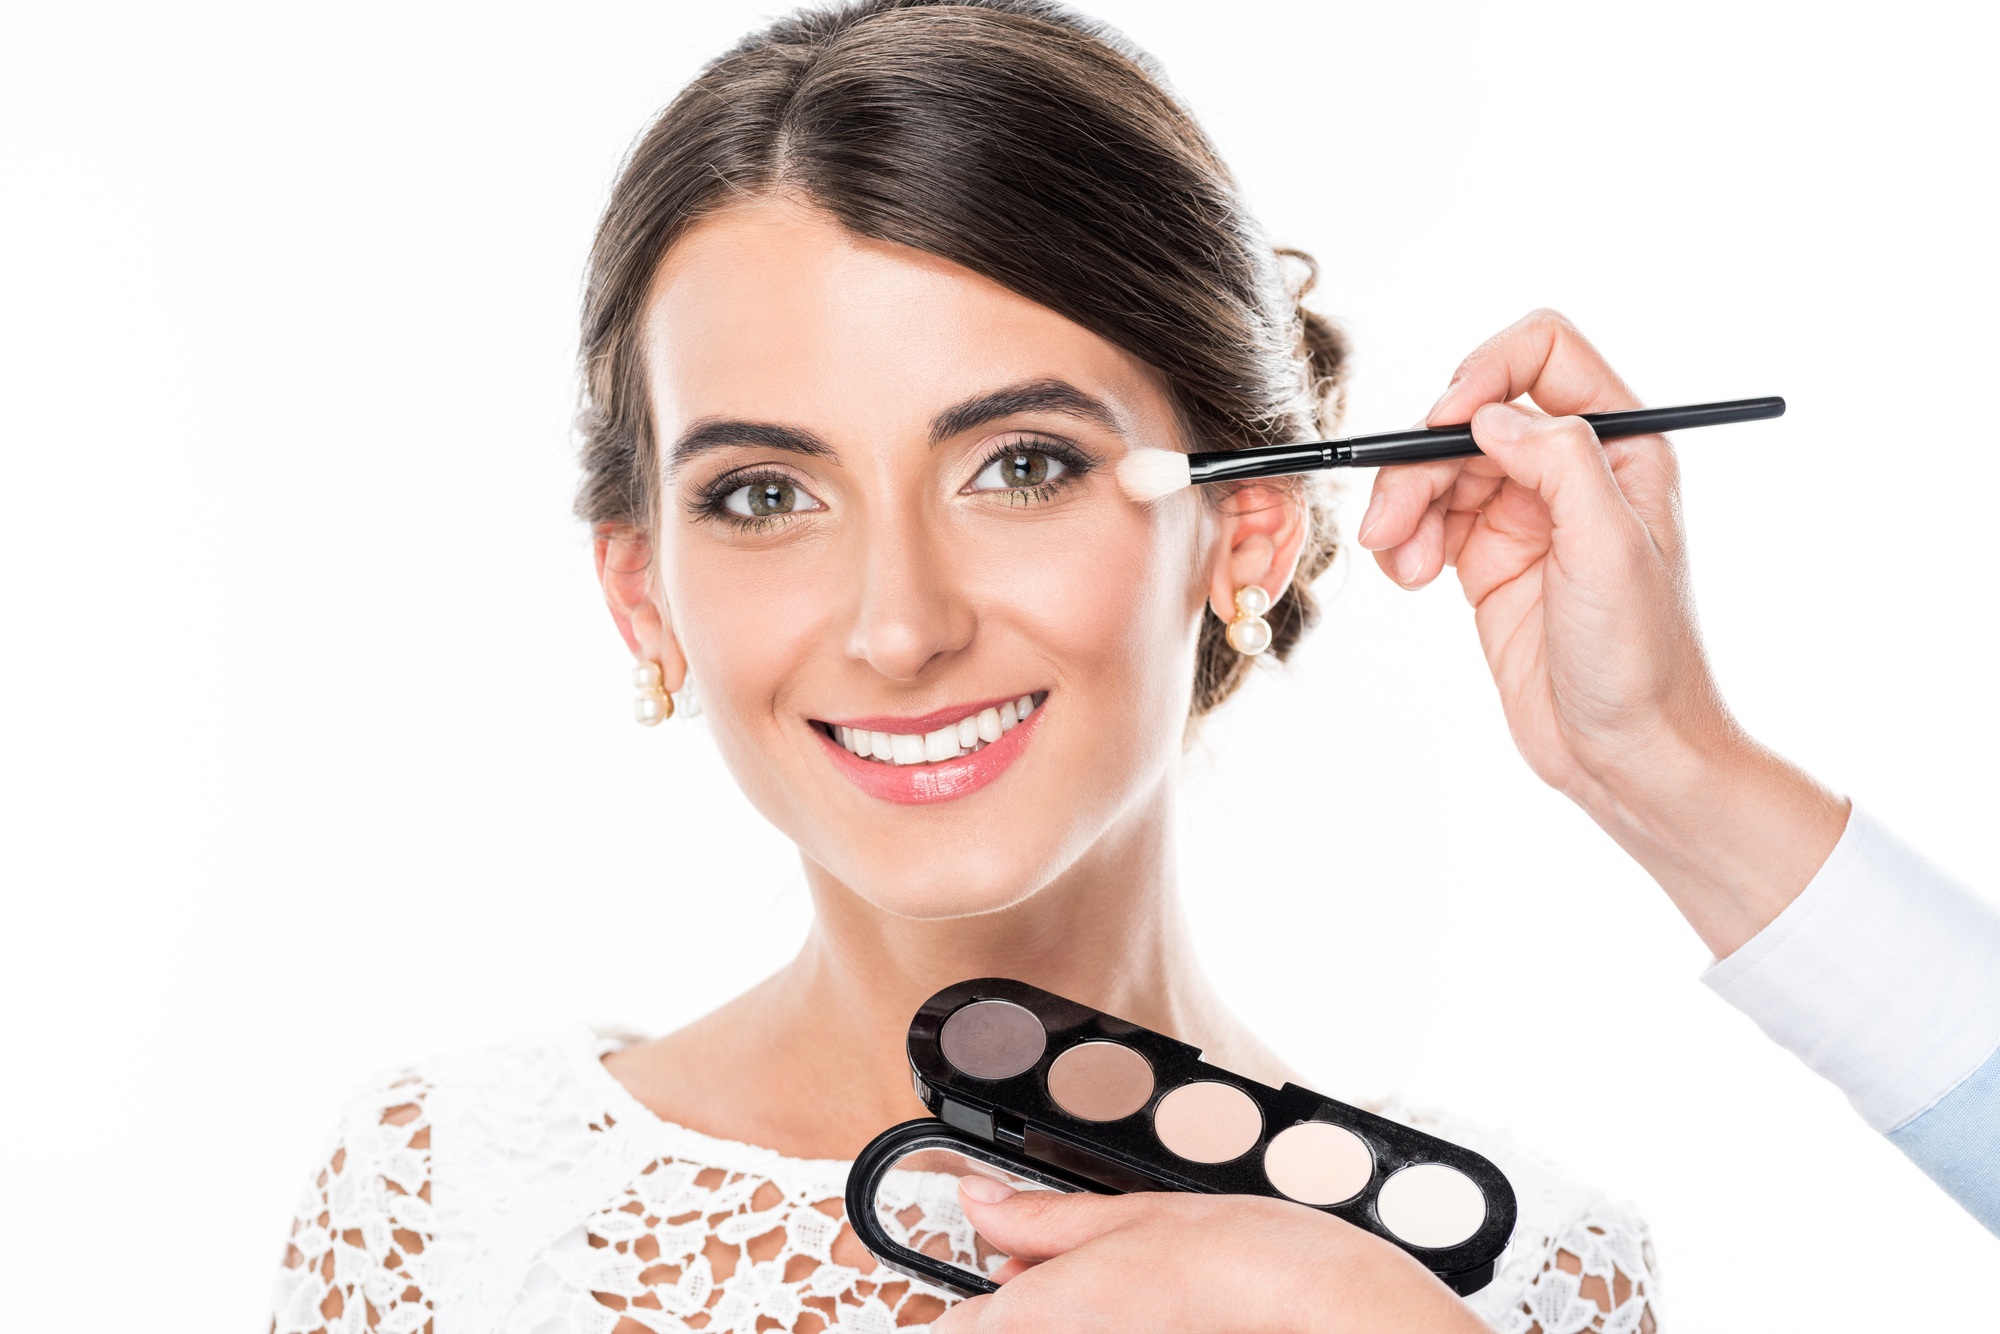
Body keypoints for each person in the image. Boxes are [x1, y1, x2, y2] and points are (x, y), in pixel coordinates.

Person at [266, 3, 1661, 1332]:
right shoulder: (450, 1210)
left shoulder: (1524, 1278)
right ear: (645, 593)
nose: (899, 624)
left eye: (1023, 466)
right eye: (764, 494)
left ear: (1247, 529)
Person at [1352, 312, 2000, 1239]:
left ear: (1248, 533)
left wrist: (1649, 748)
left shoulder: (1530, 1256)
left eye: (1059, 468)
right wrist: (1652, 752)